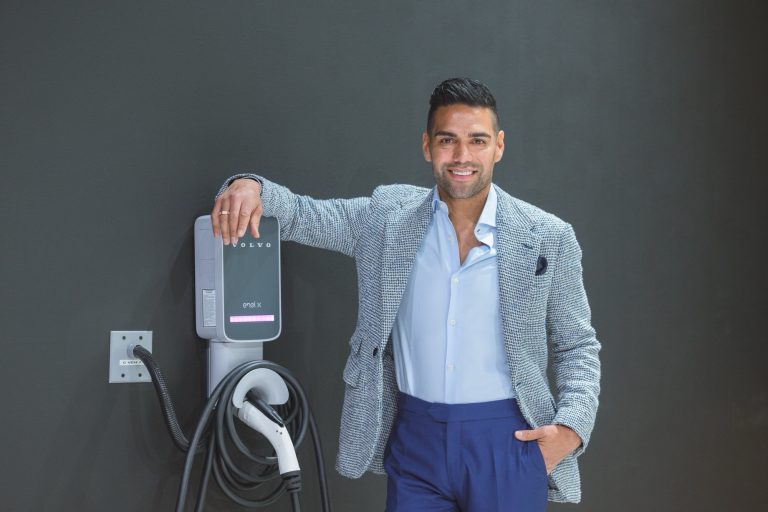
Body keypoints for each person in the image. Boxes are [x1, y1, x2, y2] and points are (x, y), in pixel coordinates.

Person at [211, 78, 601, 511]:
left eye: (477, 141)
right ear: (427, 146)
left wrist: (571, 429)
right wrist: (250, 186)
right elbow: (304, 215)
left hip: (508, 441)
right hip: (417, 441)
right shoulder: (386, 220)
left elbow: (577, 344)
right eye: (447, 140)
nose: (462, 156)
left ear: (499, 146)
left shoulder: (548, 236)